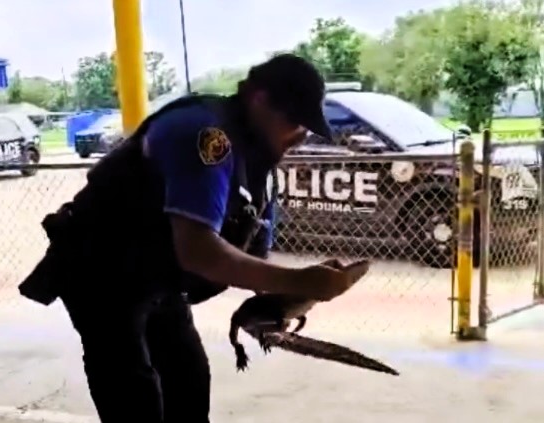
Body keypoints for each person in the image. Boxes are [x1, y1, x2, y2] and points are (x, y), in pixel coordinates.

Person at [19, 54, 355, 423]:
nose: (300, 135)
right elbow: (199, 252)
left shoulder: (259, 163)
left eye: (307, 126)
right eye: (294, 121)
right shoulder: (206, 134)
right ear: (258, 100)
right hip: (99, 268)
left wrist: (285, 298)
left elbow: (251, 257)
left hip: (157, 275)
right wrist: (299, 280)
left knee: (188, 381)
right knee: (133, 393)